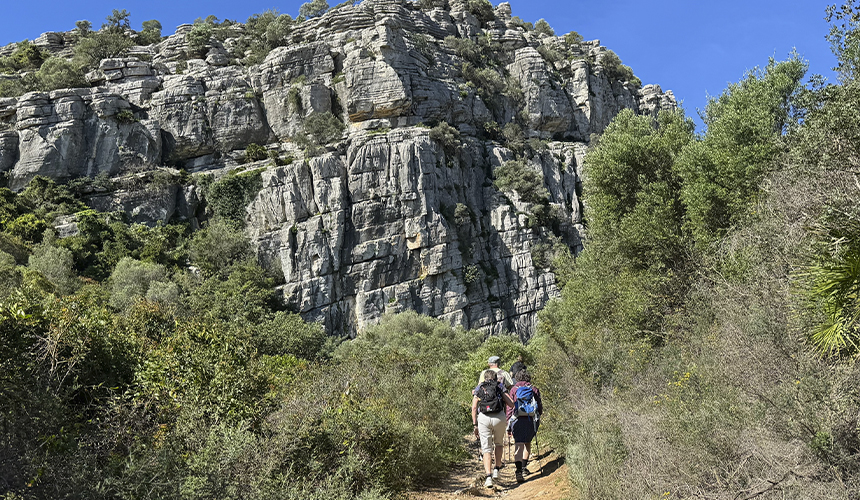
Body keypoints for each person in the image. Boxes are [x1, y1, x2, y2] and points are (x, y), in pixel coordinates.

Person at [472, 370, 514, 488]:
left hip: (484, 418)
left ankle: (488, 477)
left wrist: (475, 425)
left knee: (486, 449)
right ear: (496, 378)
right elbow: (511, 404)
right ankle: (496, 468)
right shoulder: (500, 386)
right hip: (499, 417)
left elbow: (474, 407)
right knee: (499, 443)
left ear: (484, 378)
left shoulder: (480, 387)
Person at [506, 369, 542, 483]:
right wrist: (538, 417)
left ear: (517, 378)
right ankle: (524, 467)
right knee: (527, 443)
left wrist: (508, 423)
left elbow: (509, 408)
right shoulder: (534, 389)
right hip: (531, 419)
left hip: (517, 419)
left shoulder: (513, 390)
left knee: (519, 445)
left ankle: (518, 471)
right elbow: (539, 406)